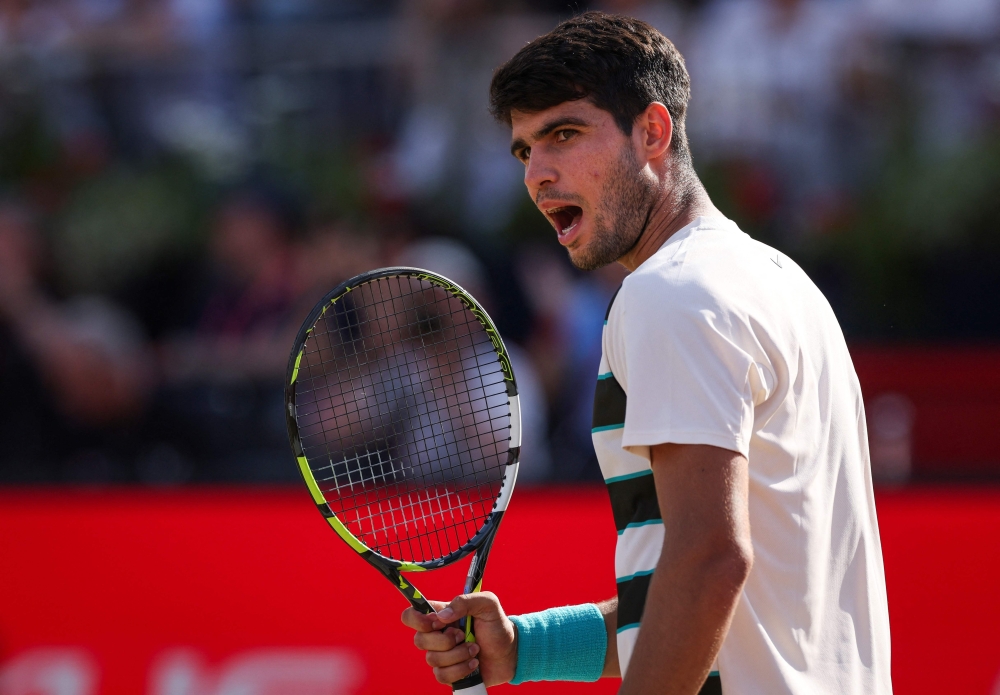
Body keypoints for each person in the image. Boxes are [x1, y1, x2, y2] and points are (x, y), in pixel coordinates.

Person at [401, 12, 891, 695]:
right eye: (523, 151)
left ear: (653, 132)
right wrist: (525, 647)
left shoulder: (671, 293)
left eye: (563, 135)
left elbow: (708, 561)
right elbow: (723, 602)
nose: (538, 174)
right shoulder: (782, 281)